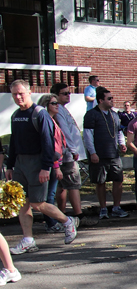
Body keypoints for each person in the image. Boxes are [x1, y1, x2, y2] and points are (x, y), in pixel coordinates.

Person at [5, 80, 78, 254]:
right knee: (22, 203)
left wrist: (46, 167)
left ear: (29, 93)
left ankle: (68, 222)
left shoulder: (39, 114)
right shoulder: (15, 115)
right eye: (14, 94)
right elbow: (14, 142)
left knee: (38, 203)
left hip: (37, 163)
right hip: (21, 164)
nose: (18, 97)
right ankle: (28, 240)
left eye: (21, 93)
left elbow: (48, 143)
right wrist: (10, 165)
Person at [83, 87, 129, 219]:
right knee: (100, 181)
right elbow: (87, 136)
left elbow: (118, 131)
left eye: (112, 98)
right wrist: (92, 152)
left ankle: (116, 207)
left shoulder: (114, 114)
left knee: (118, 179)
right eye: (109, 99)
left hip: (113, 154)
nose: (112, 100)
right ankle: (103, 208)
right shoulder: (92, 114)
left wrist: (122, 144)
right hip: (99, 154)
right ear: (100, 100)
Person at [50, 83, 83, 219]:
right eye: (65, 93)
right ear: (56, 95)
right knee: (73, 183)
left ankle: (61, 214)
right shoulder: (59, 112)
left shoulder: (63, 109)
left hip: (65, 153)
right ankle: (78, 214)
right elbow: (65, 132)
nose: (68, 95)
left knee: (62, 185)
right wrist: (73, 149)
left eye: (69, 93)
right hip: (67, 153)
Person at [38, 94, 70, 234]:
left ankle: (52, 221)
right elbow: (49, 146)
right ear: (46, 105)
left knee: (50, 194)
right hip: (50, 163)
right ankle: (51, 223)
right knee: (48, 196)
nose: (57, 105)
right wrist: (56, 166)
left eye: (57, 103)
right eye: (53, 103)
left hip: (56, 160)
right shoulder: (46, 122)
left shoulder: (53, 120)